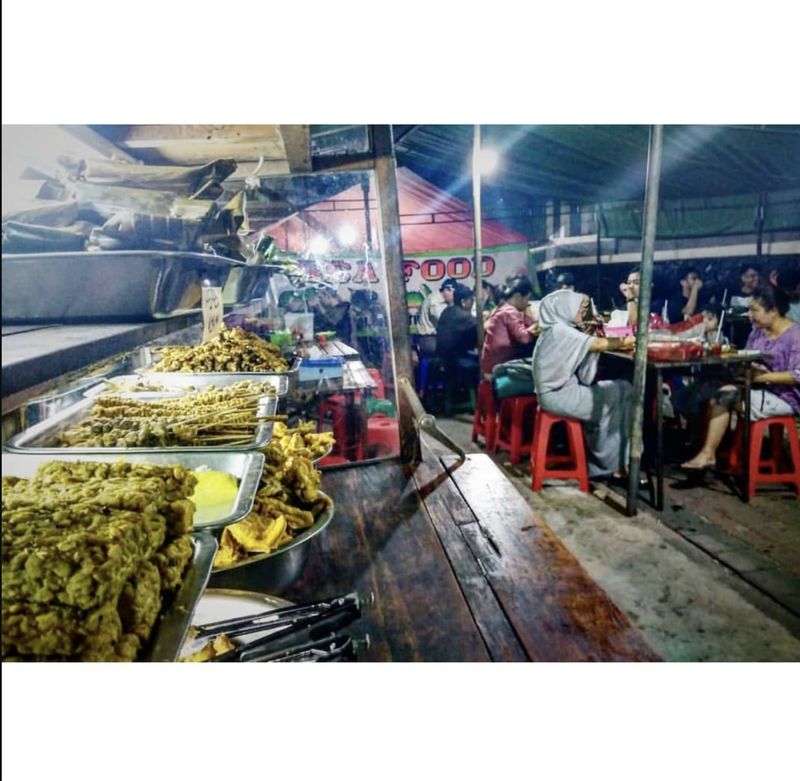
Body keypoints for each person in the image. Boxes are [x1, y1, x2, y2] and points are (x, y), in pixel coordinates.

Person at [681, 284, 800, 470]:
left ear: (773, 311)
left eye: (754, 310)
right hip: (755, 388)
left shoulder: (795, 335)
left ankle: (708, 453)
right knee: (711, 391)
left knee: (723, 397)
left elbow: (796, 376)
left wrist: (761, 377)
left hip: (784, 397)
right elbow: (746, 357)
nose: (750, 315)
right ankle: (707, 447)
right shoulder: (758, 331)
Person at [532, 289, 638, 479]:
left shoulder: (555, 329)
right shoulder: (560, 331)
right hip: (558, 396)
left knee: (615, 394)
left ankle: (613, 461)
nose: (583, 311)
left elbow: (586, 349)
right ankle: (613, 464)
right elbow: (599, 345)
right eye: (580, 308)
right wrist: (633, 339)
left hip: (555, 393)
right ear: (564, 308)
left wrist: (588, 333)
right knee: (624, 389)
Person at [479, 276, 537, 378]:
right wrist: (536, 328)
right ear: (519, 296)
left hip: (493, 366)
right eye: (527, 299)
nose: (528, 303)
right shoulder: (509, 311)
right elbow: (524, 338)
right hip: (497, 369)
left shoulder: (504, 309)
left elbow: (527, 322)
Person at [416, 278, 457, 355]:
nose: (454, 297)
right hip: (428, 339)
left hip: (437, 338)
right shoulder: (434, 300)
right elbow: (444, 321)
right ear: (446, 290)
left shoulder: (443, 302)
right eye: (453, 294)